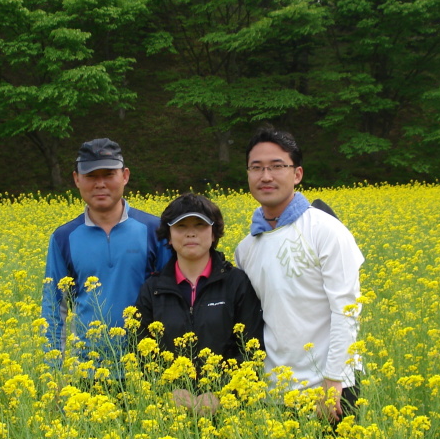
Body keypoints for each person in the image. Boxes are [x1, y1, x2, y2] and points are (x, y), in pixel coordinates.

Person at [233, 127, 365, 423]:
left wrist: (335, 380)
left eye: (277, 166)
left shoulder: (326, 230)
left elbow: (347, 309)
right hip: (272, 394)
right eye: (257, 168)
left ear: (297, 174)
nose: (266, 176)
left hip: (328, 390)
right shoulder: (246, 248)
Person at [135, 193, 264, 413]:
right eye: (181, 226)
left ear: (214, 234)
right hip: (170, 412)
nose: (191, 233)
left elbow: (252, 348)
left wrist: (220, 392)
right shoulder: (153, 288)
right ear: (169, 235)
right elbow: (139, 350)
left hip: (231, 411)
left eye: (200, 225)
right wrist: (169, 390)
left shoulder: (237, 283)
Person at [42, 138, 169, 358]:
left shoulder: (155, 230)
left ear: (125, 176)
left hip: (147, 371)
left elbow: (174, 300)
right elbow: (54, 309)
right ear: (76, 180)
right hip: (87, 371)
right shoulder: (63, 237)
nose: (100, 184)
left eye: (108, 175)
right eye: (91, 176)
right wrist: (53, 373)